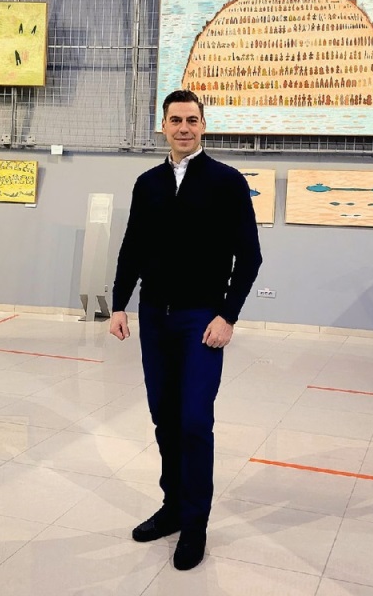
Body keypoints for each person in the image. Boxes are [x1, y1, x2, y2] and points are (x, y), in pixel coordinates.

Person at [109, 89, 262, 571]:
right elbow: (132, 246)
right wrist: (119, 304)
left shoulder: (227, 181)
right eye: (175, 120)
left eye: (191, 120)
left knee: (194, 420)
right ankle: (172, 507)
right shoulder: (147, 183)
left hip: (201, 320)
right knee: (164, 418)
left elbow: (250, 256)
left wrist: (227, 316)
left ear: (203, 126)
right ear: (163, 125)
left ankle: (195, 525)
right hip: (155, 317)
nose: (183, 128)